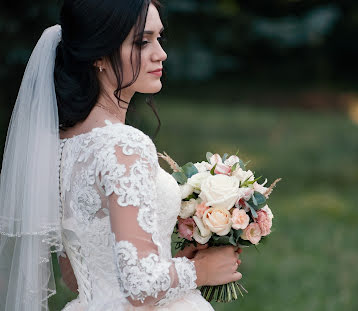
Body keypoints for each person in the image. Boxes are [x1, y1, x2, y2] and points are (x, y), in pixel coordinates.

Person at [0, 0, 242, 310]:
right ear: (99, 55)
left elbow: (75, 276)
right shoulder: (125, 145)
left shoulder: (61, 147)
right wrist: (201, 270)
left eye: (159, 38)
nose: (160, 53)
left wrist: (170, 263)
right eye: (142, 42)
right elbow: (140, 289)